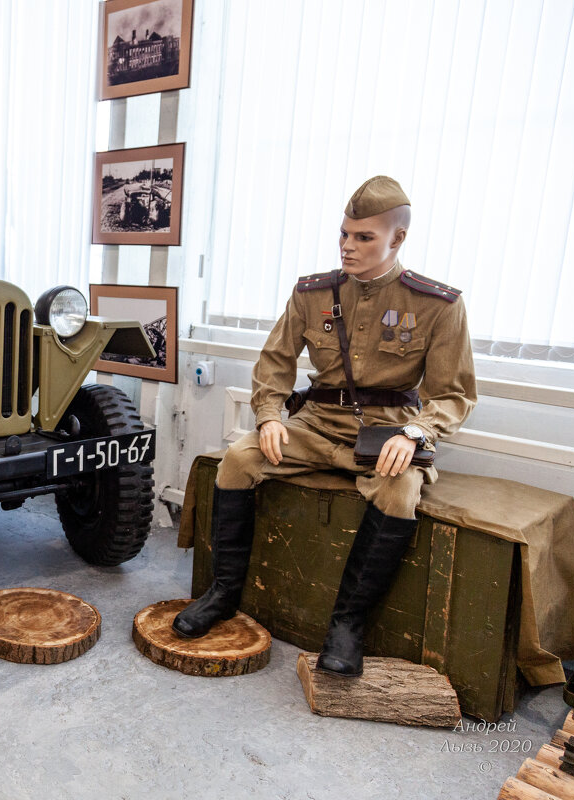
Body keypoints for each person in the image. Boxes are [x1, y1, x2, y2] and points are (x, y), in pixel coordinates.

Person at [172, 176, 478, 677]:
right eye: (343, 234)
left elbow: (453, 394)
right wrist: (269, 416)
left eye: (364, 238)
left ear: (396, 239)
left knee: (400, 490)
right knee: (239, 457)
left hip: (386, 434)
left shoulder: (437, 305)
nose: (347, 246)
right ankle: (223, 593)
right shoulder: (313, 293)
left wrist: (416, 434)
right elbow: (274, 363)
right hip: (315, 425)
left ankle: (347, 625)